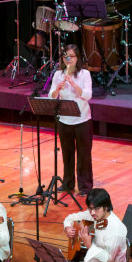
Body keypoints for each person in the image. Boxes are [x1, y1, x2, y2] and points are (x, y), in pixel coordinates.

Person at [49, 44, 93, 196]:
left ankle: (85, 187)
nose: (68, 60)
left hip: (82, 120)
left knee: (84, 155)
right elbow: (51, 96)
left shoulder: (85, 74)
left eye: (71, 56)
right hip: (64, 119)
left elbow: (88, 95)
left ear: (77, 58)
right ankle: (68, 184)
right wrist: (57, 89)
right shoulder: (58, 74)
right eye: (65, 57)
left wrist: (73, 84)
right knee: (67, 154)